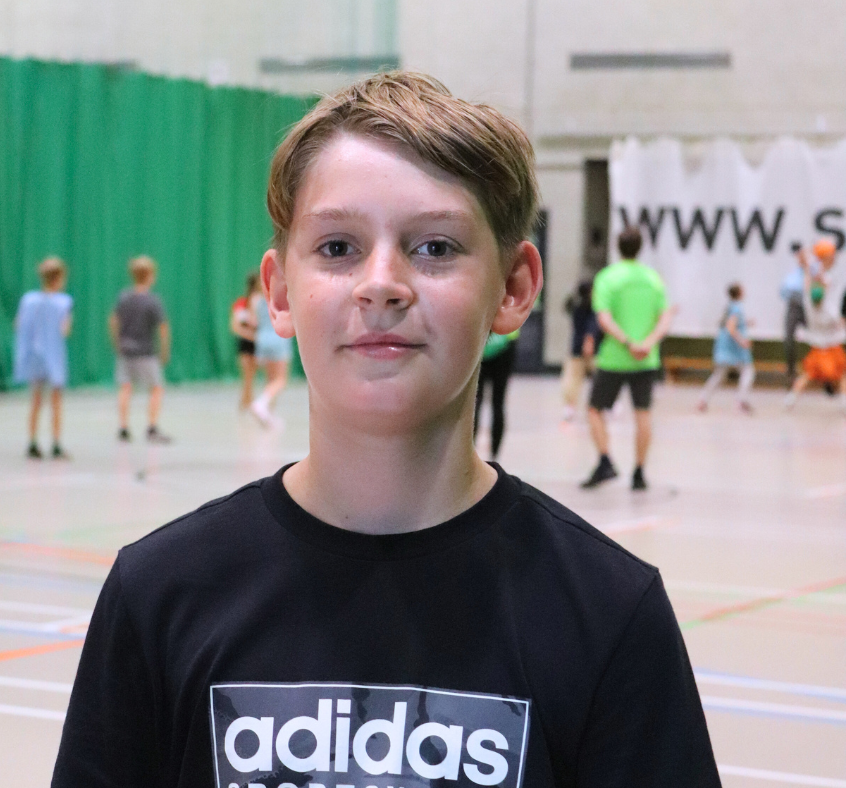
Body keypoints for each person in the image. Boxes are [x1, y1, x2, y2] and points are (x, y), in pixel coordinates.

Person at [53, 72, 719, 788]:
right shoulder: (159, 595)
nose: (382, 283)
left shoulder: (611, 616)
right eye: (338, 247)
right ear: (278, 292)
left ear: (515, 289)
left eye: (434, 247)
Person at [582, 226, 673, 490]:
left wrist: (627, 342)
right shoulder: (653, 279)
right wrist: (647, 343)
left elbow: (604, 318)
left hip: (614, 358)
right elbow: (665, 317)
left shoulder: (608, 278)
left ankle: (604, 460)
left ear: (617, 247)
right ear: (640, 247)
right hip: (646, 359)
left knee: (595, 409)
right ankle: (639, 472)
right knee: (642, 414)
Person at [13, 257, 73, 459]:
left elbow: (18, 324)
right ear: (59, 279)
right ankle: (56, 444)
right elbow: (64, 330)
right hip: (53, 357)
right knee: (56, 401)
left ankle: (32, 442)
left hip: (34, 358)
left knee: (36, 401)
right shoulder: (63, 302)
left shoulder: (28, 300)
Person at [110, 256, 172, 443]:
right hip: (146, 352)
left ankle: (123, 427)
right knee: (156, 388)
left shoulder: (124, 297)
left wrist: (117, 343)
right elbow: (163, 328)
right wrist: (164, 350)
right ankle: (152, 427)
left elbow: (113, 321)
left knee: (125, 387)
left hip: (126, 350)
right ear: (150, 276)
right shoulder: (152, 301)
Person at [783, 248, 846, 411]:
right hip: (829, 344)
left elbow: (809, 283)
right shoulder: (825, 307)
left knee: (808, 374)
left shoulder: (810, 303)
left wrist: (808, 265)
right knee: (841, 374)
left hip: (820, 344)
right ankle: (844, 402)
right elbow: (816, 282)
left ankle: (791, 399)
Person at [780, 239, 836, 383]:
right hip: (797, 305)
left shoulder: (815, 269)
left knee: (823, 338)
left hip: (813, 308)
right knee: (789, 338)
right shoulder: (797, 273)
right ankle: (792, 372)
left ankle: (825, 373)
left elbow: (819, 280)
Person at [696, 282, 756, 414]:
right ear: (739, 292)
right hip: (733, 346)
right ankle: (741, 400)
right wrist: (742, 341)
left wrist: (746, 323)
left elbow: (731, 322)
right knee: (748, 371)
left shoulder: (731, 306)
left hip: (725, 345)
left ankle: (703, 399)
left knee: (720, 374)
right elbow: (731, 327)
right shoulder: (737, 308)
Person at [248, 283, 292, 428]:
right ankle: (261, 403)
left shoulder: (256, 299)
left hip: (262, 340)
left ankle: (268, 416)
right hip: (278, 339)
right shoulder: (285, 298)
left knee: (270, 379)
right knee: (280, 380)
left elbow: (254, 321)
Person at [559, 279, 601, 421]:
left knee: (599, 378)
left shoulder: (587, 306)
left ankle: (606, 404)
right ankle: (570, 406)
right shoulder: (585, 307)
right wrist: (588, 342)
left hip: (585, 348)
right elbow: (591, 327)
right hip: (583, 348)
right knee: (573, 379)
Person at [473, 328, 518, 459]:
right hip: (506, 341)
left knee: (474, 402)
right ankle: (494, 456)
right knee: (498, 402)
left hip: (480, 342)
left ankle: (471, 455)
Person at [230, 272, 260, 409]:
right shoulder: (241, 303)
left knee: (252, 376)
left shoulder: (263, 303)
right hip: (246, 343)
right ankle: (246, 403)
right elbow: (235, 327)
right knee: (247, 376)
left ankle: (250, 403)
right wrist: (250, 335)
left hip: (259, 344)